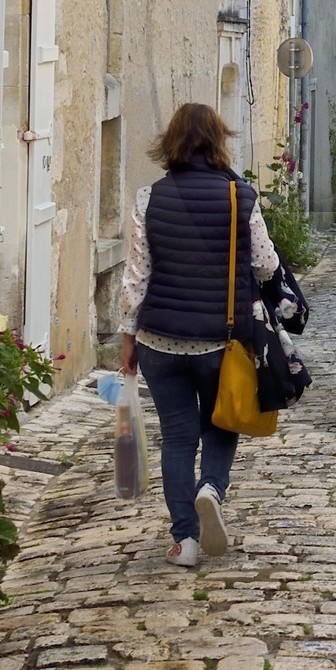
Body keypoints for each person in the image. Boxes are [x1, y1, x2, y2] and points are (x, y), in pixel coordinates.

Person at [119, 102, 281, 567]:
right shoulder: (240, 197)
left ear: (171, 144)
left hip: (159, 342)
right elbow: (266, 263)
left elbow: (136, 277)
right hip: (221, 340)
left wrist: (127, 337)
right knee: (220, 423)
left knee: (176, 437)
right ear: (218, 142)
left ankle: (185, 541)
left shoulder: (149, 198)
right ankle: (211, 487)